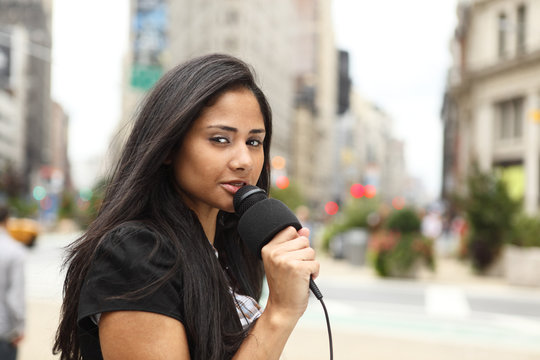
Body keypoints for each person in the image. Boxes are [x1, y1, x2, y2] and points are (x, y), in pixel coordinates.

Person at [54, 54, 319, 360]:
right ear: (169, 146)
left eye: (254, 142)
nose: (244, 161)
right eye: (220, 139)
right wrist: (279, 313)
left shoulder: (230, 255)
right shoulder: (137, 253)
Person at [0, 205, 26, 360]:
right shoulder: (14, 251)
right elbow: (15, 297)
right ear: (7, 220)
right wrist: (19, 328)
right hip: (3, 331)